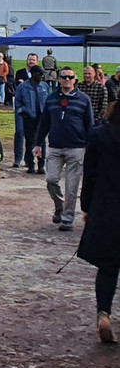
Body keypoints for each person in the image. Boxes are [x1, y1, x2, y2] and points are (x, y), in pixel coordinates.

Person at [77, 102, 120, 344]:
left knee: (108, 266)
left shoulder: (100, 135)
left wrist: (87, 208)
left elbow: (90, 175)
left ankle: (104, 313)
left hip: (106, 208)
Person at [35, 66, 94, 231]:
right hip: (55, 147)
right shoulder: (52, 99)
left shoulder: (84, 100)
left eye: (70, 77)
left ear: (75, 79)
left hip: (77, 148)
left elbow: (90, 125)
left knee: (72, 186)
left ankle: (67, 218)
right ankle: (59, 206)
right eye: (64, 76)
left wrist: (91, 148)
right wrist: (38, 143)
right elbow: (44, 122)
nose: (67, 79)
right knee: (51, 179)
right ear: (59, 79)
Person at [14, 65, 49, 174]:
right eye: (39, 74)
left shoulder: (45, 86)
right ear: (33, 73)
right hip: (28, 117)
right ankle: (30, 164)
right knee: (29, 141)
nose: (41, 76)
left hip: (42, 117)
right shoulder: (23, 87)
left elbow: (49, 100)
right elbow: (17, 102)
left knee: (42, 141)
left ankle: (41, 164)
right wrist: (22, 112)